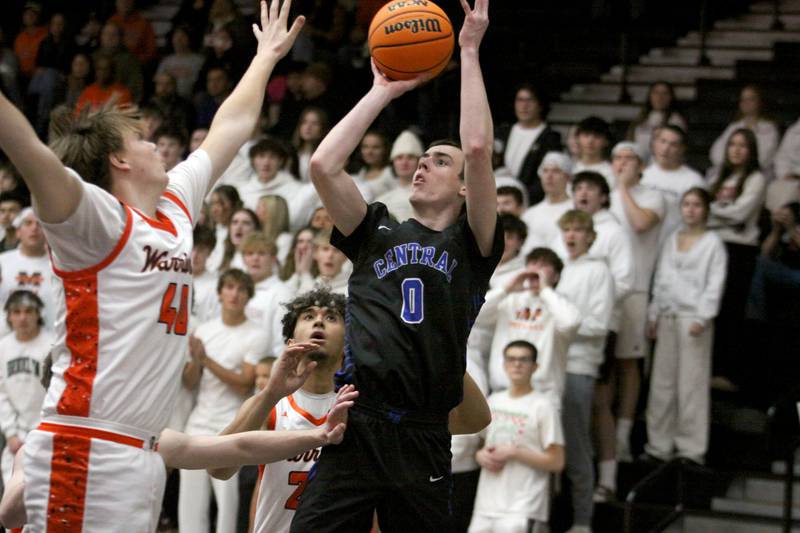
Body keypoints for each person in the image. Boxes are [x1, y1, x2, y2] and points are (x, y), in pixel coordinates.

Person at [0, 1, 305, 529]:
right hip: (86, 439)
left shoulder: (174, 205)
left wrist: (265, 58)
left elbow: (229, 127)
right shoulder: (91, 219)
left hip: (143, 448)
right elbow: (27, 148)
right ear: (119, 160)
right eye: (141, 138)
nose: (154, 141)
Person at [291, 1, 501, 529]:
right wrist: (381, 90)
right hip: (358, 421)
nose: (424, 164)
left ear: (460, 186)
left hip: (426, 433)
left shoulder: (471, 245)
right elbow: (323, 164)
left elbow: (476, 148)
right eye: (422, 157)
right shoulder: (374, 229)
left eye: (439, 160)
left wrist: (470, 51)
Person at [0, 348, 358, 531]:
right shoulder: (39, 444)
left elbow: (237, 447)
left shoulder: (137, 436)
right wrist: (62, 446)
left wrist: (318, 435)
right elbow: (9, 512)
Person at [593, 142, 665, 500]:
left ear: (641, 165)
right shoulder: (600, 194)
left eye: (628, 159)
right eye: (617, 157)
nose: (620, 163)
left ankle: (621, 436)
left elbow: (638, 224)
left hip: (634, 287)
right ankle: (606, 435)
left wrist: (621, 188)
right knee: (605, 369)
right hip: (597, 292)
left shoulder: (653, 195)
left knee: (627, 364)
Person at [645, 188, 727, 464]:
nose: (690, 210)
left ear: (706, 209)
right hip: (668, 315)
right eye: (686, 204)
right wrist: (654, 314)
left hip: (693, 319)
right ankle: (658, 445)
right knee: (662, 384)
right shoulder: (671, 239)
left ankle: (691, 448)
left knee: (691, 384)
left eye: (696, 205)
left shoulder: (713, 242)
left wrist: (703, 317)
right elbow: (661, 279)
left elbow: (715, 284)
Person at [555, 210, 614, 533]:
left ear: (590, 235)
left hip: (578, 366)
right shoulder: (560, 268)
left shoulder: (598, 272)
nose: (572, 235)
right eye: (567, 229)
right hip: (550, 365)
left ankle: (583, 521)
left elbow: (598, 325)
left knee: (576, 446)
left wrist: (559, 322)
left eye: (578, 229)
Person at [469, 340, 565, 533]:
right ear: (504, 364)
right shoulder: (493, 400)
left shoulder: (543, 406)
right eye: (511, 359)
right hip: (486, 504)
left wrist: (515, 453)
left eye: (524, 359)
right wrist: (480, 456)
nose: (517, 364)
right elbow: (478, 447)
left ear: (535, 366)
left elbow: (557, 461)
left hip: (523, 507)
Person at [707, 128, 766, 391]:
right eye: (733, 144)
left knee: (732, 310)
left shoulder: (756, 178)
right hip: (714, 246)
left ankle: (727, 373)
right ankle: (710, 368)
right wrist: (720, 212)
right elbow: (702, 208)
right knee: (714, 308)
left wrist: (713, 212)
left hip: (740, 251)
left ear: (751, 150)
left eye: (743, 145)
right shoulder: (719, 177)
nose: (737, 149)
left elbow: (740, 214)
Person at [476, 248, 581, 397]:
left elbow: (570, 323)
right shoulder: (510, 300)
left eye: (544, 265)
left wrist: (545, 290)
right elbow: (475, 315)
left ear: (556, 276)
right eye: (533, 263)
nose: (537, 268)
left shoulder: (560, 305)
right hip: (502, 390)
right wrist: (506, 289)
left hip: (542, 393)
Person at [0, 290, 53, 484]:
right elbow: (1, 394)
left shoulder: (52, 346)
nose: (23, 317)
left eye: (29, 311)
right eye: (17, 311)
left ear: (38, 314)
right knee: (12, 503)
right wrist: (10, 433)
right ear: (9, 316)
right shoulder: (3, 347)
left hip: (45, 433)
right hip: (16, 438)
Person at [494, 83, 562, 205]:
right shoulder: (502, 132)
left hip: (528, 201)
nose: (524, 106)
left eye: (529, 100)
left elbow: (545, 175)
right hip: (497, 199)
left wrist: (522, 199)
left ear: (540, 105)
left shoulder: (550, 138)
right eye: (520, 100)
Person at [640, 125, 705, 247]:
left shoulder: (693, 180)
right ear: (654, 143)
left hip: (675, 246)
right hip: (644, 246)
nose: (665, 148)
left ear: (682, 149)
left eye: (673, 144)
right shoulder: (642, 176)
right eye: (662, 141)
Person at [0, 208, 56, 333]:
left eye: (40, 224)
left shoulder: (58, 267)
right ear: (18, 232)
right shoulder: (2, 262)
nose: (34, 228)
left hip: (47, 340)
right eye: (28, 223)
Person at [241, 232, 293, 357]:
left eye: (261, 253)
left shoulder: (283, 294)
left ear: (273, 259)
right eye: (250, 253)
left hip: (262, 368)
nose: (255, 258)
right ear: (243, 259)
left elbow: (281, 344)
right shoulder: (237, 288)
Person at [709, 84, 779, 176]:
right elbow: (717, 152)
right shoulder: (734, 127)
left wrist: (741, 168)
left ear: (759, 102)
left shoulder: (769, 129)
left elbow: (764, 157)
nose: (746, 103)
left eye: (751, 99)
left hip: (757, 174)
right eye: (743, 99)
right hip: (730, 170)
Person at [521, 151, 573, 254]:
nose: (549, 176)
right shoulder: (529, 214)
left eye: (556, 171)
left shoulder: (575, 209)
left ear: (567, 177)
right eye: (545, 171)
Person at [375, 129, 425, 222]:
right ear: (393, 162)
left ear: (419, 162)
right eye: (399, 158)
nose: (404, 163)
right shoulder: (382, 200)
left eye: (410, 157)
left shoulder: (430, 197)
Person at [626, 81, 687, 151]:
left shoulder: (675, 120)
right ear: (650, 96)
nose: (659, 97)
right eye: (656, 92)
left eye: (664, 93)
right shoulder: (641, 117)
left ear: (671, 97)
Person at [572, 116, 614, 190]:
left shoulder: (612, 172)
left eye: (597, 137)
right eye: (586, 135)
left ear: (606, 141)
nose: (590, 141)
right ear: (577, 138)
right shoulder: (569, 168)